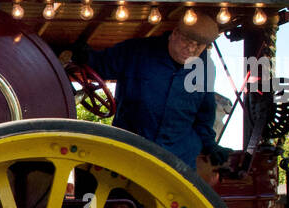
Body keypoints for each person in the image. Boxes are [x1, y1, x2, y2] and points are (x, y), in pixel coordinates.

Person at [76, 16, 231, 170]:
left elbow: (205, 116)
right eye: (187, 41)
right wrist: (82, 55)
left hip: (178, 161)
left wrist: (210, 145)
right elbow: (99, 65)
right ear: (175, 33)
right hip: (131, 152)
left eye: (198, 46)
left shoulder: (205, 68)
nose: (191, 49)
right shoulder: (136, 51)